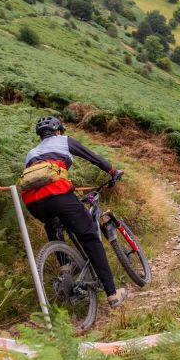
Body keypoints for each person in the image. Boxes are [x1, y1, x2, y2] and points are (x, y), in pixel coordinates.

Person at [22, 116, 127, 308]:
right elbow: (94, 157)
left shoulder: (31, 153)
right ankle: (112, 294)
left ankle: (65, 266)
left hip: (32, 201)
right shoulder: (64, 141)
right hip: (58, 194)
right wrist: (113, 172)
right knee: (89, 238)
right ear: (58, 131)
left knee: (52, 223)